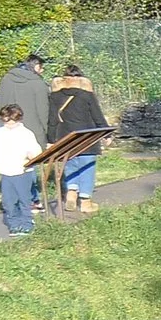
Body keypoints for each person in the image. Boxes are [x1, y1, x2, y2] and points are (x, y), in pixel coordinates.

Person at [48, 63, 109, 215]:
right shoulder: (86, 94)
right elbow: (97, 115)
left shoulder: (55, 95)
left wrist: (50, 139)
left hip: (65, 137)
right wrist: (107, 134)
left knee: (70, 165)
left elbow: (52, 119)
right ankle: (85, 202)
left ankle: (71, 193)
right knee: (87, 167)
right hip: (86, 137)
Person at [0, 104, 41, 235]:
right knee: (8, 201)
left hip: (23, 172)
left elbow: (35, 150)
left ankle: (27, 224)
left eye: (12, 122)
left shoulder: (26, 133)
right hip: (7, 172)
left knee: (24, 200)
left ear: (19, 119)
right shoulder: (0, 133)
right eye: (6, 121)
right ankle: (14, 224)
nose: (9, 125)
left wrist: (31, 156)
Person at [0, 52, 50, 146]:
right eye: (41, 67)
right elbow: (43, 111)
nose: (42, 70)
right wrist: (44, 131)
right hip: (33, 132)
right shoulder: (38, 83)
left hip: (7, 129)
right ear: (36, 66)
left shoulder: (6, 79)